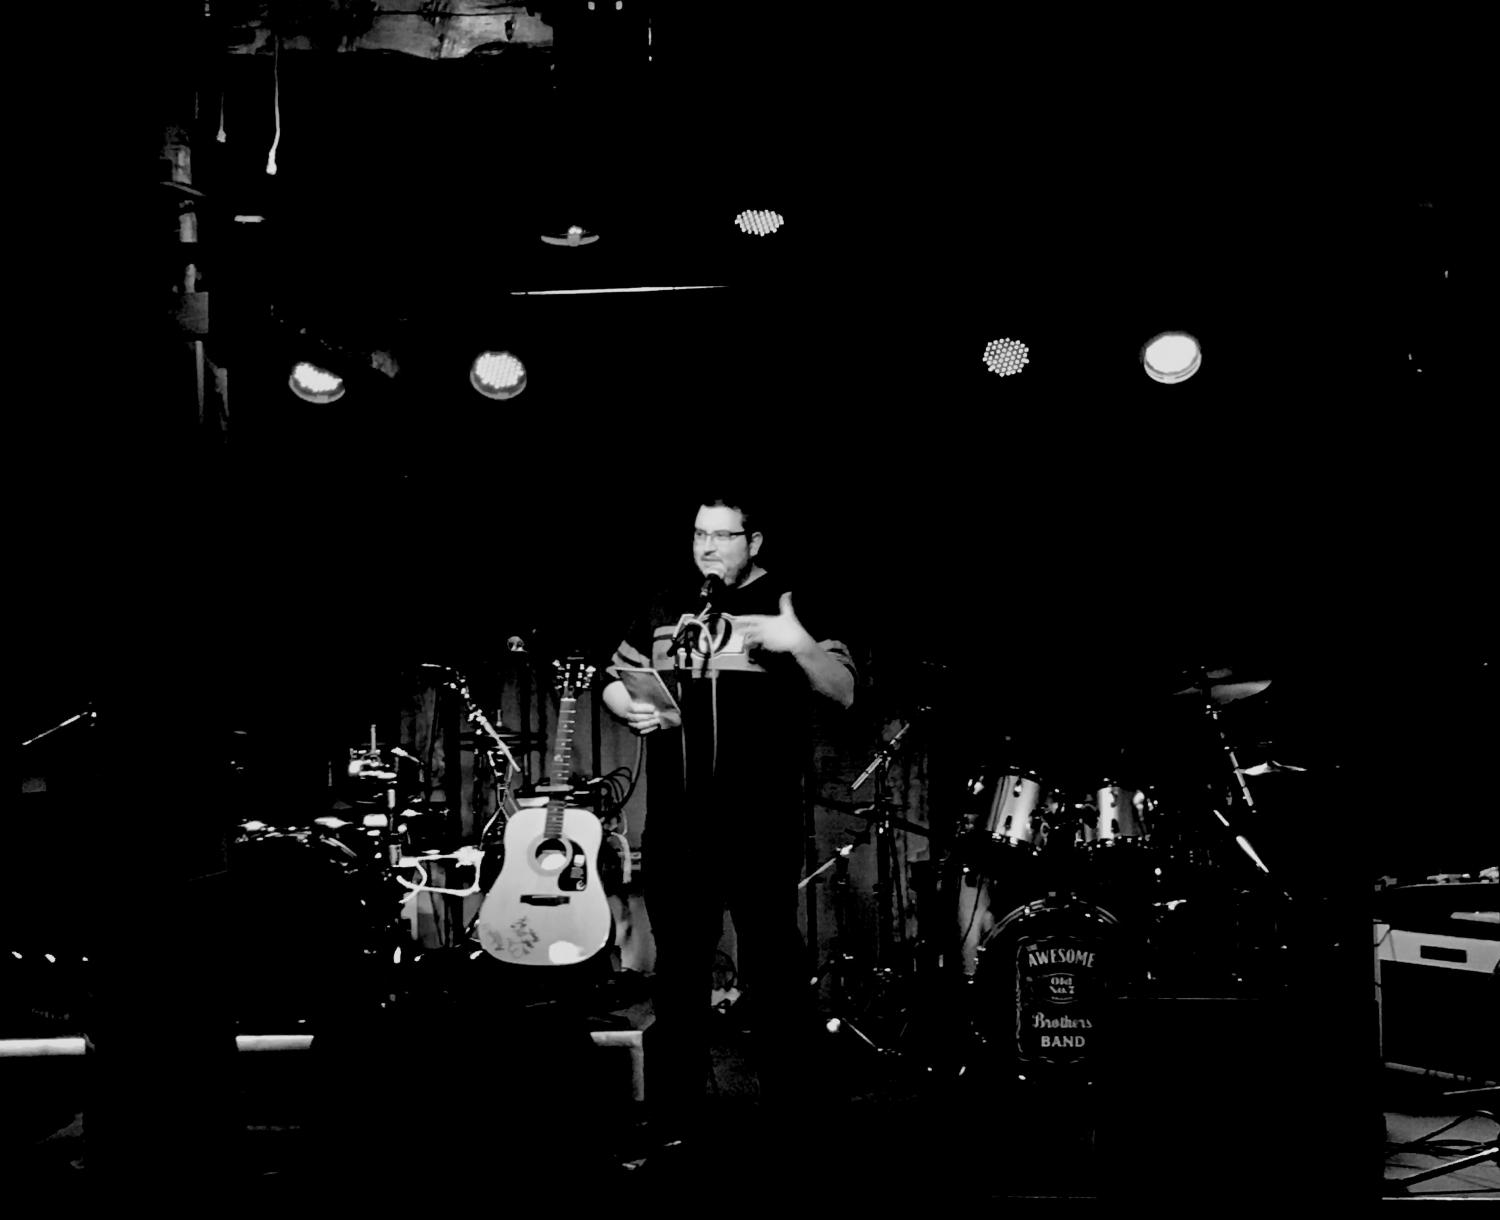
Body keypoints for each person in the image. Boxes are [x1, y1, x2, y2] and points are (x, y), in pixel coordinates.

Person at [599, 493, 856, 1163]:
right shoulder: (666, 603)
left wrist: (798, 644)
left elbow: (843, 689)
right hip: (677, 823)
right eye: (698, 534)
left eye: (723, 535)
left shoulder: (788, 603)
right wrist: (629, 706)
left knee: (772, 968)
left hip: (758, 822)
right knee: (678, 974)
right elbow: (614, 679)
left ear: (754, 541)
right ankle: (674, 1122)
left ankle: (790, 1122)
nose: (707, 547)